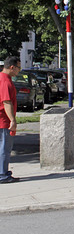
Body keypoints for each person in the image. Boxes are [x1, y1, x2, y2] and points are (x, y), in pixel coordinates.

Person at [0, 55, 21, 183]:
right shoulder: (6, 81)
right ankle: (2, 175)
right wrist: (12, 120)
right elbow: (7, 101)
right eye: (18, 68)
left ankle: (3, 173)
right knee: (4, 148)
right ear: (12, 67)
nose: (19, 70)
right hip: (3, 120)